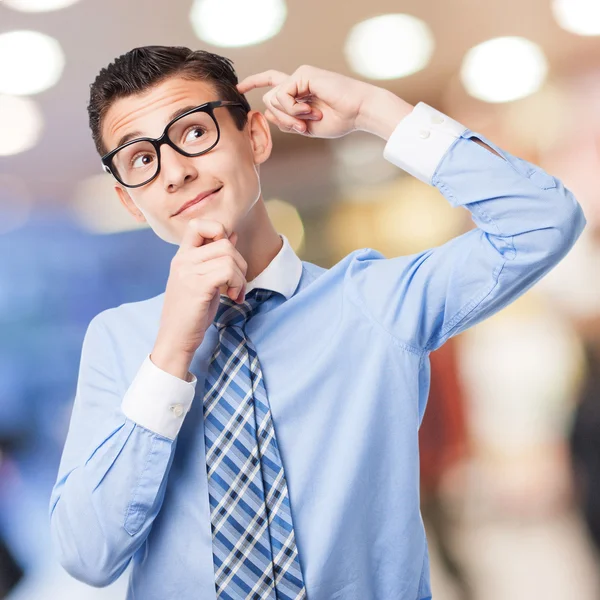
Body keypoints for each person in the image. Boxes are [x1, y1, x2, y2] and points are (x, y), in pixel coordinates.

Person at [48, 45, 585, 600]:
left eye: (192, 133)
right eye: (141, 159)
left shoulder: (376, 303)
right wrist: (171, 354)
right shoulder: (118, 342)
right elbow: (88, 556)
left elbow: (543, 221)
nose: (177, 172)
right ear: (130, 201)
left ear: (255, 136)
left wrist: (373, 111)